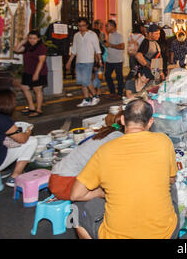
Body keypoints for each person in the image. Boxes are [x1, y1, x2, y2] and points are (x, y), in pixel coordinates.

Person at [70, 99, 179, 239]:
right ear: (150, 122)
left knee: (77, 208)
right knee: (172, 185)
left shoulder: (105, 151)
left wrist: (100, 193)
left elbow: (76, 194)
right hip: (165, 233)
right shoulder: (164, 141)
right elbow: (171, 179)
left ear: (122, 119)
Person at [48, 111, 125, 200]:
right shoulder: (117, 139)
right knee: (116, 188)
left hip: (56, 177)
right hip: (67, 183)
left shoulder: (109, 132)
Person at [0, 89, 38, 187]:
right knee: (32, 141)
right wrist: (28, 131)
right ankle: (15, 177)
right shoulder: (3, 119)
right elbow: (22, 139)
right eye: (14, 101)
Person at [66, 18, 102, 107]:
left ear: (87, 25)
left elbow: (97, 49)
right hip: (79, 61)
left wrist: (99, 61)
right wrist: (69, 62)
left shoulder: (92, 35)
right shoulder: (76, 36)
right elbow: (74, 50)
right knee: (82, 82)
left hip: (89, 61)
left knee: (86, 80)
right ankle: (86, 99)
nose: (81, 28)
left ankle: (95, 96)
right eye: (79, 26)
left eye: (83, 25)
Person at [13, 30, 48, 117]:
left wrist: (36, 74)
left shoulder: (41, 47)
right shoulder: (27, 46)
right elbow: (16, 49)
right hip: (28, 71)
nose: (32, 40)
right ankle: (31, 107)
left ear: (38, 39)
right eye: (30, 38)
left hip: (39, 72)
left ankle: (39, 109)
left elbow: (41, 61)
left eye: (34, 38)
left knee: (37, 90)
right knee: (24, 87)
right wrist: (24, 40)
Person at [103, 20, 125, 100]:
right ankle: (112, 92)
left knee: (119, 77)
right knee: (107, 75)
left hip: (118, 60)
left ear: (112, 26)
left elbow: (122, 47)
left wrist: (110, 45)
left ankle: (120, 93)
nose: (106, 27)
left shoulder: (119, 35)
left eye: (107, 25)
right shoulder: (109, 35)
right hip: (110, 60)